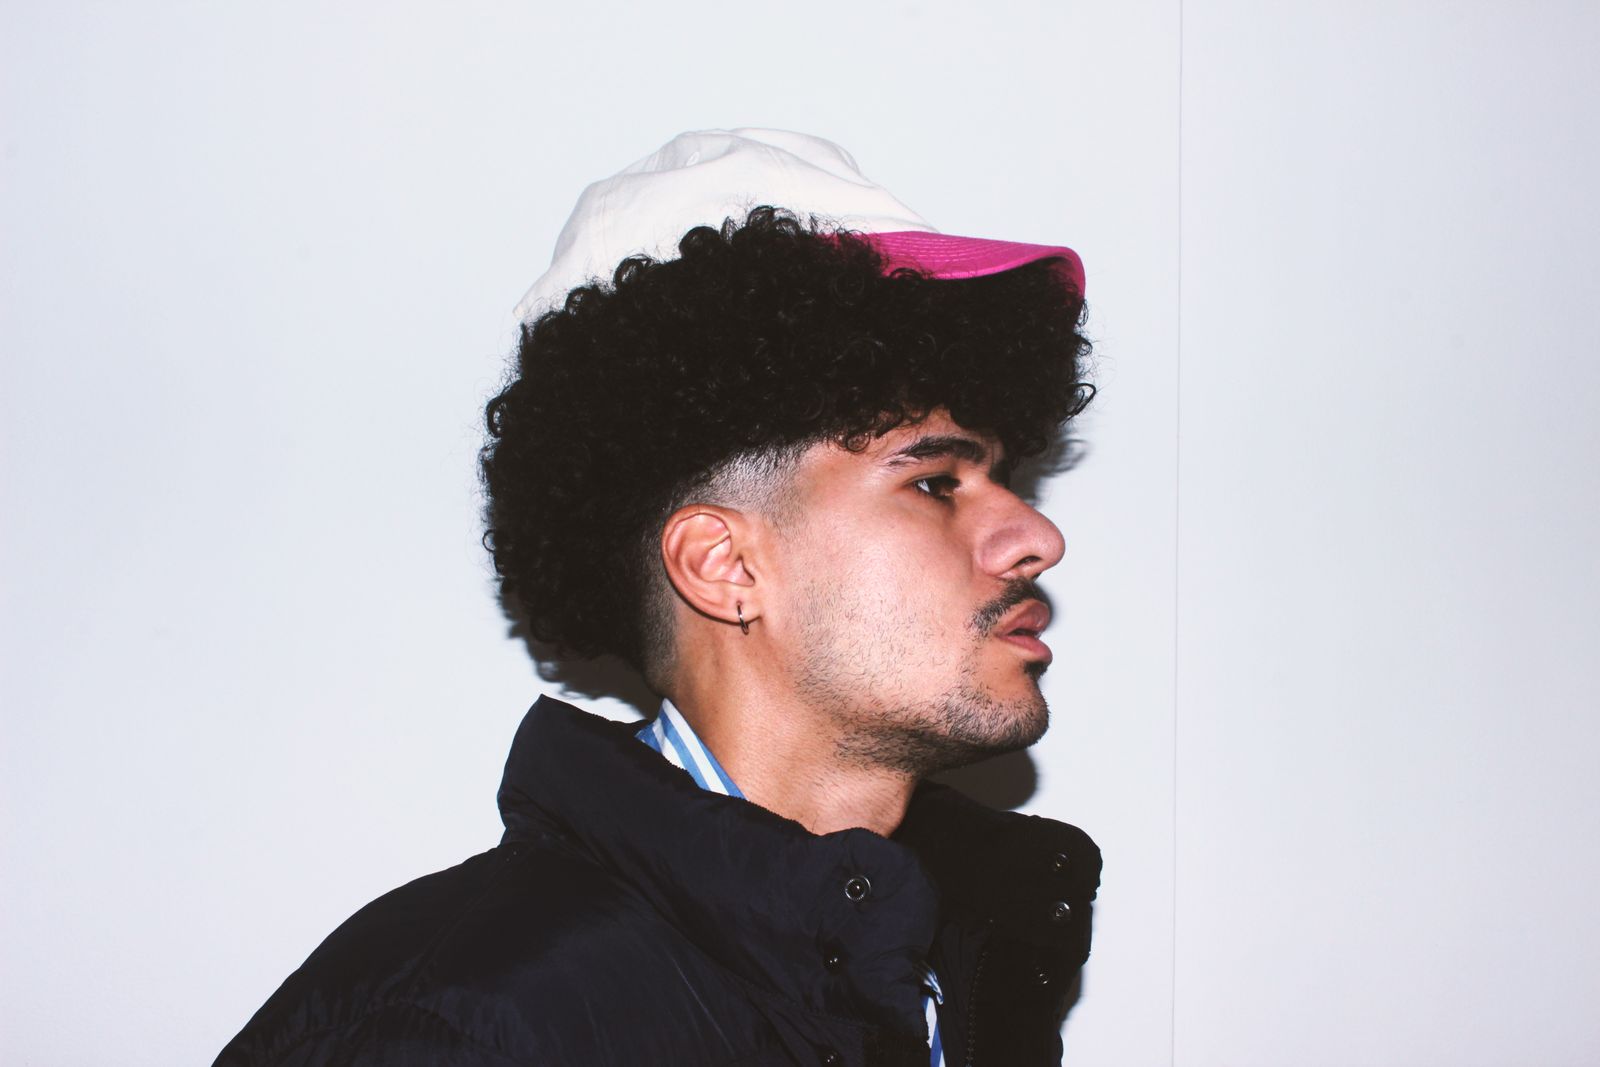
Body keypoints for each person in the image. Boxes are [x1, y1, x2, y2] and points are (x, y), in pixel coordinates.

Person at [215, 128, 1102, 1067]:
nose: (1036, 537)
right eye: (934, 483)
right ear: (723, 564)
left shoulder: (960, 971)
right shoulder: (471, 1025)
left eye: (1006, 479)